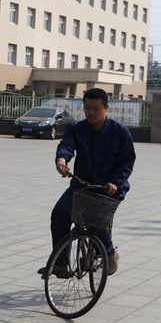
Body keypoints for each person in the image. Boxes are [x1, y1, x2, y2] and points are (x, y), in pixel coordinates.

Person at [39, 88, 135, 278]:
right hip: (82, 186)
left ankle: (109, 252)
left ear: (106, 108)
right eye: (87, 108)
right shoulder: (77, 129)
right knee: (59, 213)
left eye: (96, 108)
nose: (91, 112)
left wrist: (114, 182)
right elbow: (66, 146)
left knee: (95, 221)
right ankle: (60, 263)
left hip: (108, 189)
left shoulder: (120, 132)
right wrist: (62, 160)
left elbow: (126, 163)